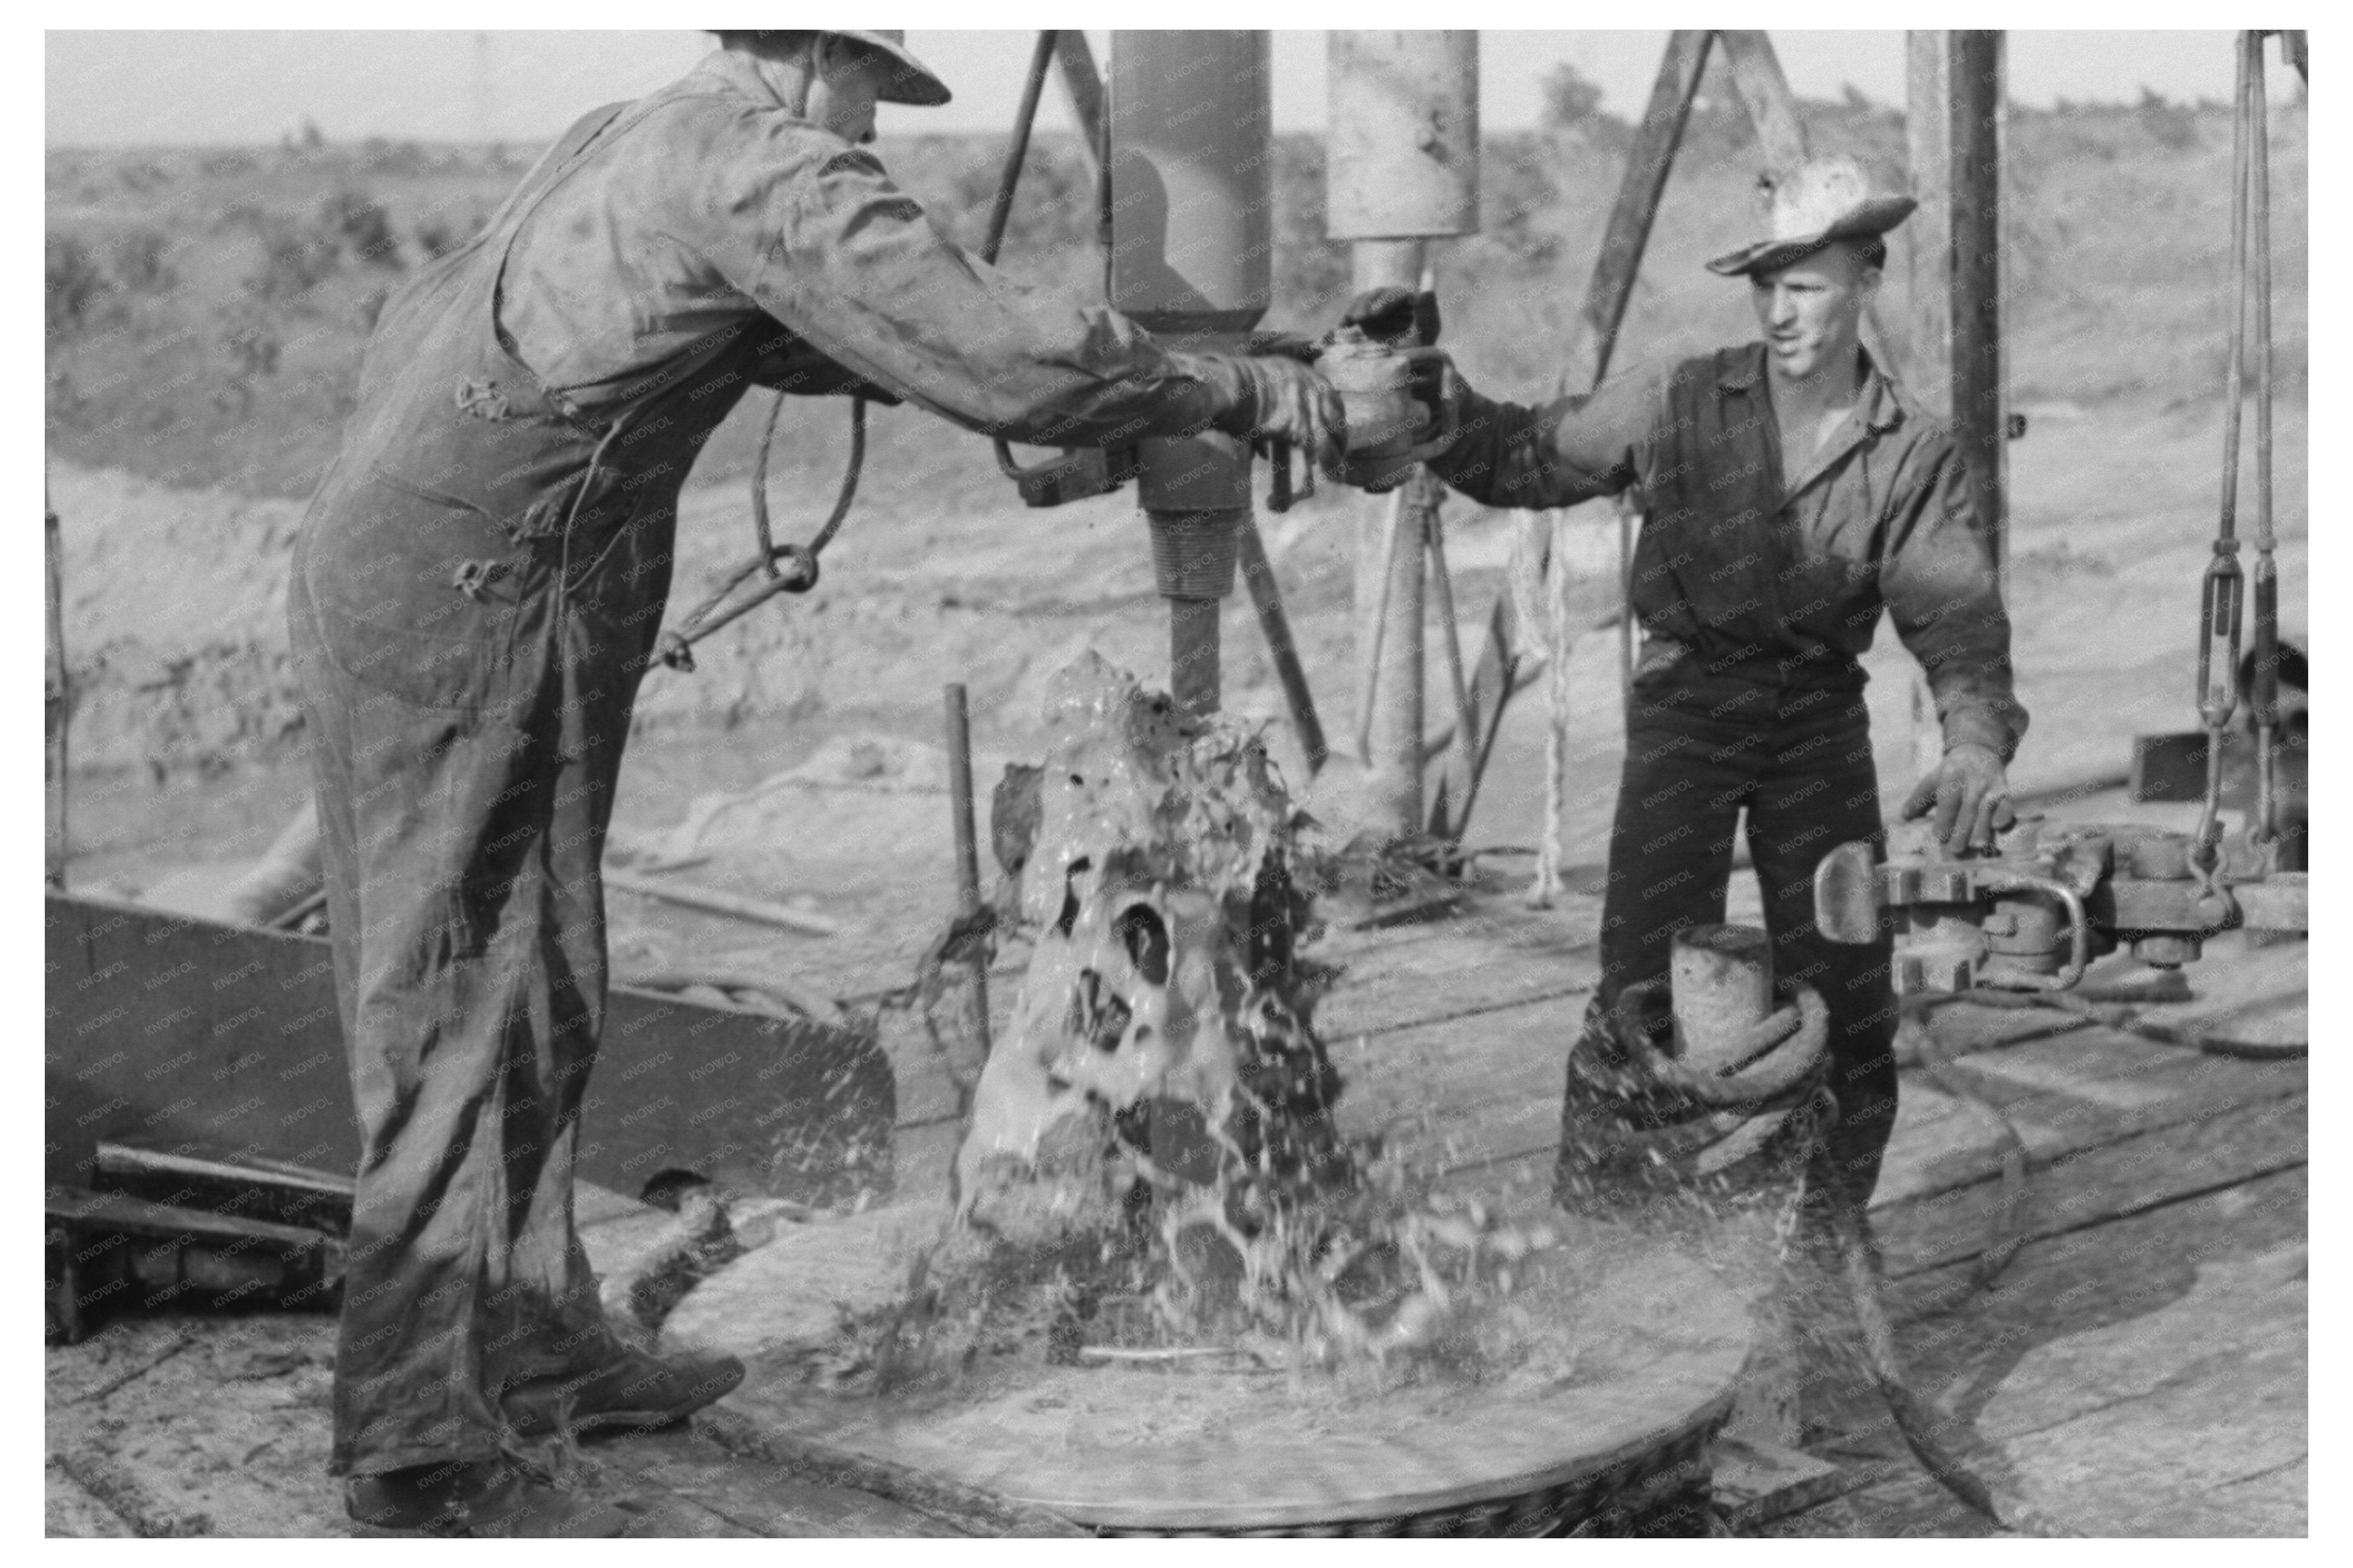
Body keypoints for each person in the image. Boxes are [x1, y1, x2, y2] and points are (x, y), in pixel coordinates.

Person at [289, 28, 1340, 1537]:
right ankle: (414, 1439)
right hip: (471, 596)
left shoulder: (635, 134)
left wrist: (1157, 373)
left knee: (546, 979)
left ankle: (529, 1333)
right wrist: (1245, 392)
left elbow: (860, 329)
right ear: (808, 55)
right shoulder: (749, 158)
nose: (874, 130)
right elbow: (996, 355)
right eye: (870, 93)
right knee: (459, 1001)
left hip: (457, 574)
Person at [1398, 156, 2028, 1236]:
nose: (1780, 312)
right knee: (1637, 995)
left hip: (1816, 728)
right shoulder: (1676, 400)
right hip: (1685, 711)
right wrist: (1427, 398)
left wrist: (1973, 743)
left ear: (1867, 279)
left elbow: (1956, 622)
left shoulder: (1909, 453)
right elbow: (1521, 456)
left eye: (1806, 287)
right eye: (1765, 286)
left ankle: (1816, 1256)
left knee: (1849, 1000)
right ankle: (1605, 1253)